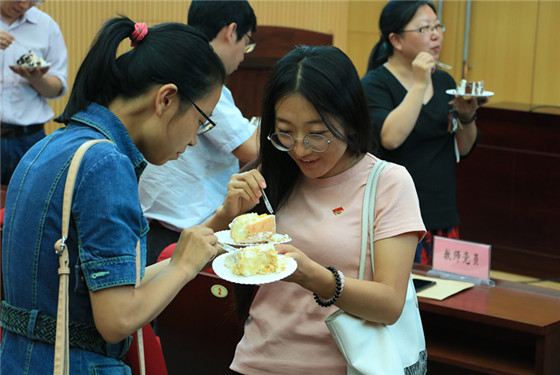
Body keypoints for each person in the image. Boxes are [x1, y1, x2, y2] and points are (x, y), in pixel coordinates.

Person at [1, 16, 226, 374]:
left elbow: (115, 290)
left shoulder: (50, 146)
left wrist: (192, 254)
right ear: (166, 99)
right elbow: (117, 318)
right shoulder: (106, 163)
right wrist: (183, 266)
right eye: (202, 120)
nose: (195, 138)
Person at [202, 45, 428, 374]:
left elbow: (390, 304)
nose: (299, 148)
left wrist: (313, 276)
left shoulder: (388, 184)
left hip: (345, 366)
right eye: (285, 133)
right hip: (255, 363)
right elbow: (192, 257)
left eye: (316, 134)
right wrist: (226, 214)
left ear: (350, 121)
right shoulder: (271, 177)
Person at [361, 0, 487, 265]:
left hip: (442, 212)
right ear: (396, 40)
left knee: (448, 299)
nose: (435, 34)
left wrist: (467, 116)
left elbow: (463, 148)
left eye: (437, 26)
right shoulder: (375, 84)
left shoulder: (444, 82)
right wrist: (419, 83)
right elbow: (391, 137)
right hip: (396, 218)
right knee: (404, 298)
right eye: (424, 28)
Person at [138, 0, 259, 266]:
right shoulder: (202, 78)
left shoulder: (174, 63)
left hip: (156, 222)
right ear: (231, 31)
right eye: (247, 42)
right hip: (183, 229)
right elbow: (251, 149)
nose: (244, 54)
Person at [0, 0, 67, 186]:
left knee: (29, 204)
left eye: (33, 1)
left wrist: (37, 78)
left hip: (29, 139)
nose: (24, 5)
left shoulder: (46, 26)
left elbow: (57, 87)